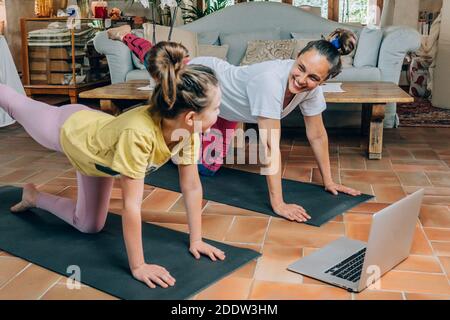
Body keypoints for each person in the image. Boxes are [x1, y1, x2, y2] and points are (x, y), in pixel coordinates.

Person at [0, 41, 226, 289]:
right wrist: (139, 266)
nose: (219, 113)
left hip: (98, 157)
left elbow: (192, 186)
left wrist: (197, 240)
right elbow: (131, 206)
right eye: (216, 108)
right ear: (191, 117)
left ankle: (33, 197)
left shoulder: (188, 133)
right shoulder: (138, 134)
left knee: (89, 225)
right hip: (66, 129)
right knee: (14, 103)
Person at [108, 26, 362, 224]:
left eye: (313, 77)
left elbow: (317, 134)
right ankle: (130, 38)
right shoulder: (270, 81)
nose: (302, 79)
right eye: (300, 68)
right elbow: (270, 147)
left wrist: (328, 181)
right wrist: (279, 203)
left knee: (206, 169)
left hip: (229, 112)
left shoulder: (311, 89)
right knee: (161, 64)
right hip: (209, 79)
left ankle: (189, 151)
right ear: (295, 58)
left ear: (324, 80)